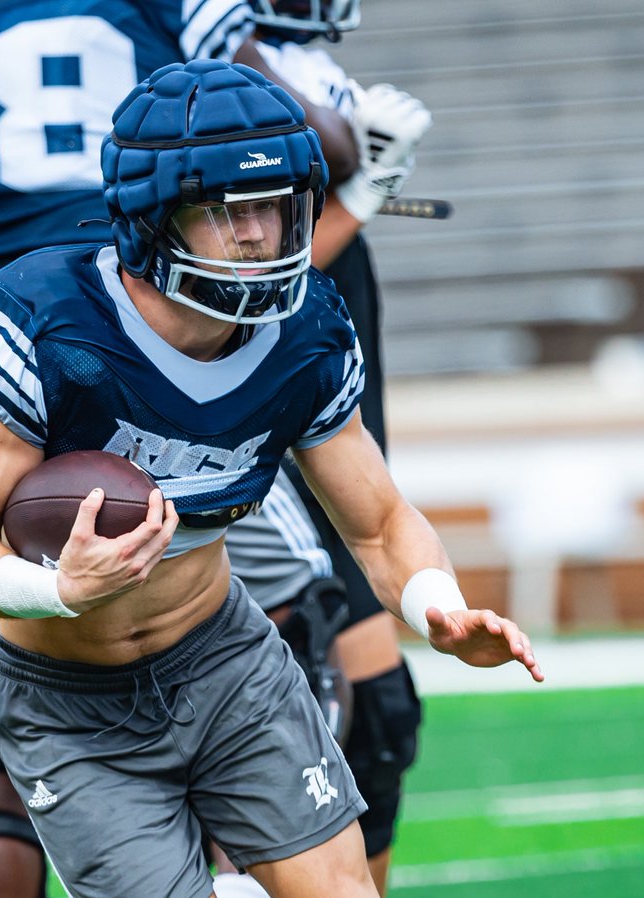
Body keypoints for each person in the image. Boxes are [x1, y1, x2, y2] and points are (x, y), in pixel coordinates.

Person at [0, 59, 544, 898]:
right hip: (69, 703)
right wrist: (58, 589)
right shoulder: (47, 322)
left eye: (274, 206)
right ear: (153, 216)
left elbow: (379, 522)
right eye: (226, 209)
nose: (258, 234)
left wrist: (438, 606)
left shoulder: (306, 332)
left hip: (225, 660)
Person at [0, 3, 361, 896]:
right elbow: (298, 142)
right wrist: (359, 154)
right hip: (127, 330)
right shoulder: (149, 8)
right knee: (304, 635)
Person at [215, 3, 434, 894]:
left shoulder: (286, 56)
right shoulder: (208, 60)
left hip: (325, 416)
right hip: (262, 433)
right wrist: (362, 192)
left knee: (373, 721)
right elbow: (237, 280)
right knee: (282, 726)